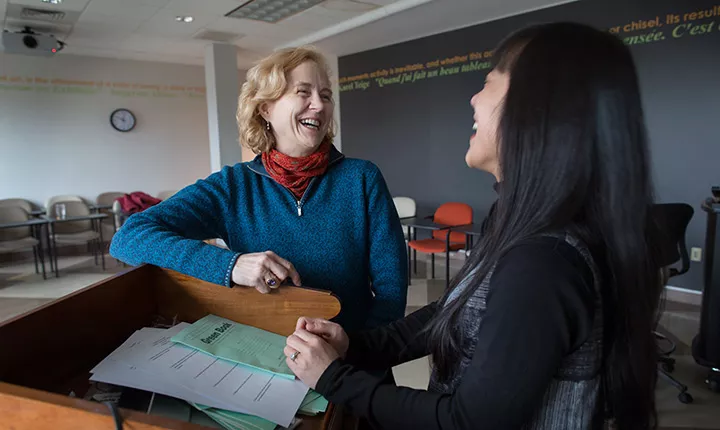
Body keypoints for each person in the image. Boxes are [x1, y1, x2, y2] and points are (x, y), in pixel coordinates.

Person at [282, 23, 663, 430]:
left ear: (533, 108)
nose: (474, 98)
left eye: (487, 82)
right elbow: (456, 312)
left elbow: (469, 421)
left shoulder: (543, 263)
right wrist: (354, 346)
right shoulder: (515, 220)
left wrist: (333, 378)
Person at [110, 47, 408, 331]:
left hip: (350, 359)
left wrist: (362, 353)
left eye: (326, 95)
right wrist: (231, 264)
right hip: (265, 355)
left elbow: (391, 291)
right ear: (265, 108)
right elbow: (129, 237)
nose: (319, 105)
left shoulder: (361, 179)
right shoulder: (233, 186)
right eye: (303, 92)